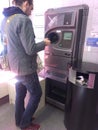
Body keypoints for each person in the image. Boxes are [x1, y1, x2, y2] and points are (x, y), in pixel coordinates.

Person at [1, 0, 51, 130]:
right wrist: (45, 43)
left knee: (20, 93)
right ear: (25, 4)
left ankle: (20, 119)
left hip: (14, 67)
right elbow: (30, 49)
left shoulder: (5, 20)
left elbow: (6, 45)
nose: (31, 11)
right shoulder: (23, 20)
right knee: (36, 94)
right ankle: (25, 123)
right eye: (31, 8)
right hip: (26, 68)